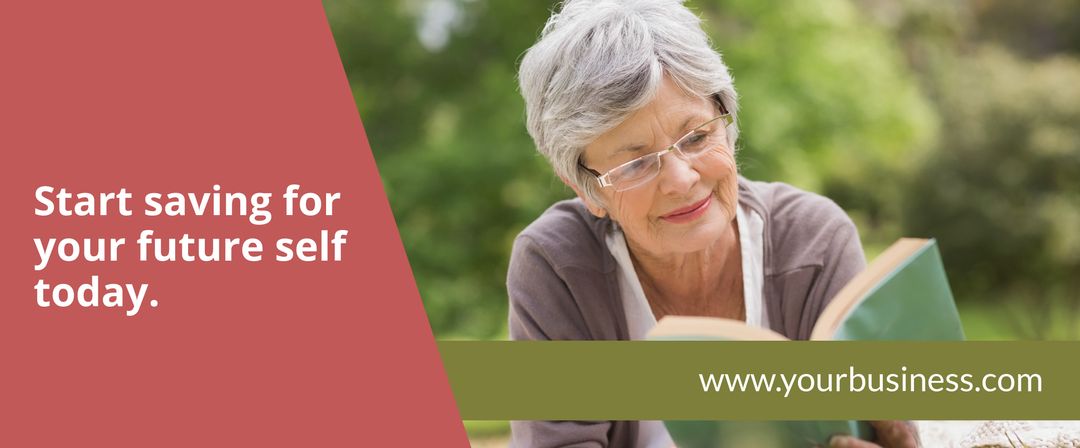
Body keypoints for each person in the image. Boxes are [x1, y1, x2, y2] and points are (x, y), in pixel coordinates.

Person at [508, 0, 919, 447]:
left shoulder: (815, 240)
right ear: (586, 189)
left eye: (698, 137)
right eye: (636, 164)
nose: (682, 180)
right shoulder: (555, 265)